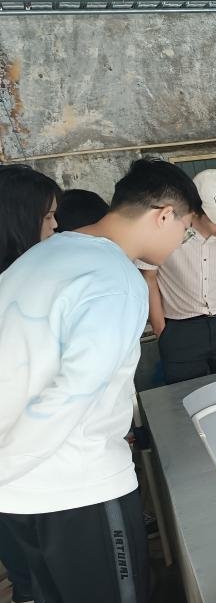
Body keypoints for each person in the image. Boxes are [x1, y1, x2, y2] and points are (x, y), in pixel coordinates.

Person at [0, 157, 201, 603]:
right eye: (185, 230)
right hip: (79, 490)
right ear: (163, 215)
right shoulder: (115, 279)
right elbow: (72, 393)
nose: (180, 243)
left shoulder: (39, 257)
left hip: (19, 498)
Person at [0, 164, 61, 603]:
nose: (56, 226)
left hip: (28, 452)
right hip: (19, 454)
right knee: (36, 567)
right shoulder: (18, 288)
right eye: (48, 216)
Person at [140, 169, 216, 383]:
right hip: (179, 327)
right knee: (185, 390)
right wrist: (160, 329)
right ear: (195, 210)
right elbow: (149, 277)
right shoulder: (166, 229)